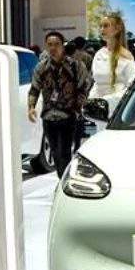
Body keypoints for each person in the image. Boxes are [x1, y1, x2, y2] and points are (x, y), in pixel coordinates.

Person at [27, 31, 92, 177]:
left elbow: (84, 87)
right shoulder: (41, 67)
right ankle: (62, 178)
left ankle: (65, 179)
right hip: (49, 116)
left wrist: (78, 107)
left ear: (63, 46)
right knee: (55, 153)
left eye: (56, 44)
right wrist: (31, 107)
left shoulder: (75, 66)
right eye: (49, 44)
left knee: (65, 152)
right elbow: (35, 88)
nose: (53, 48)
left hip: (68, 115)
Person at [90, 14, 135, 112]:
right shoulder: (99, 54)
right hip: (97, 110)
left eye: (106, 26)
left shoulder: (126, 56)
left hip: (116, 109)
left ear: (117, 29)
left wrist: (107, 101)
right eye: (101, 26)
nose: (102, 29)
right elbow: (96, 83)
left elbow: (132, 87)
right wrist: (90, 100)